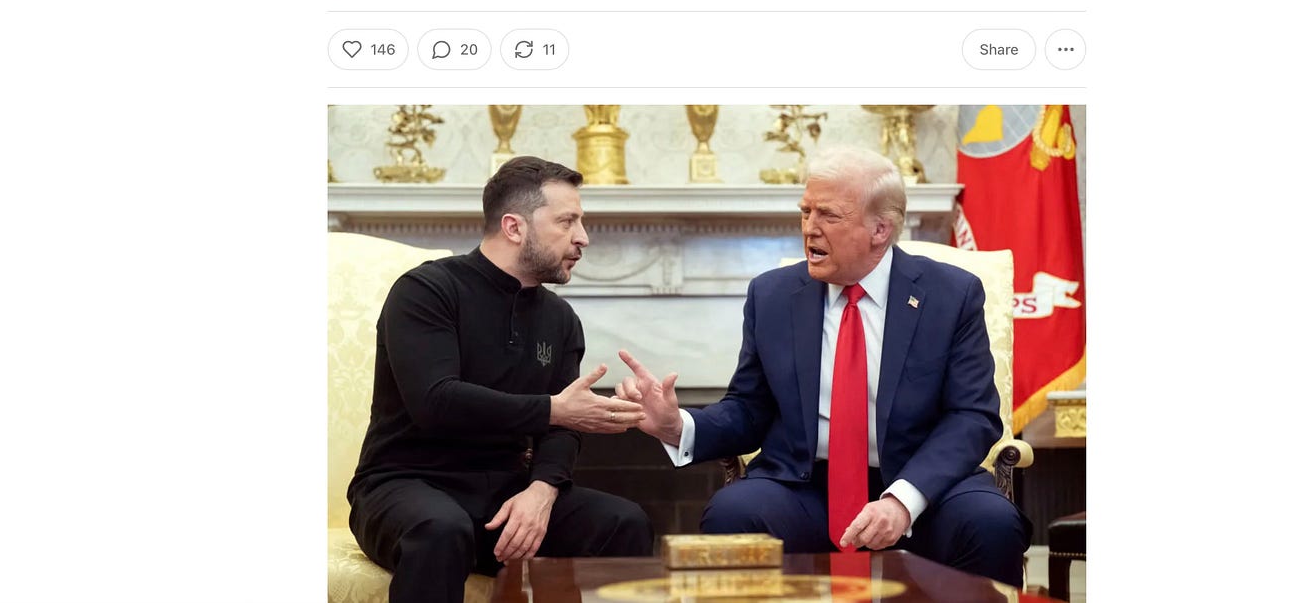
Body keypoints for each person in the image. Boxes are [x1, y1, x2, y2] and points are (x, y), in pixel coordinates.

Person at [614, 145, 1030, 586]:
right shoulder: (773, 295)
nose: (809, 228)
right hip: (805, 485)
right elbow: (749, 408)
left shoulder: (951, 294)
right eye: (805, 211)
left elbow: (972, 416)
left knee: (991, 524)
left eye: (828, 215)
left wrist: (903, 500)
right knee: (733, 513)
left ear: (880, 230)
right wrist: (677, 426)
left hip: (924, 484)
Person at [347, 156, 653, 603]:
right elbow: (436, 402)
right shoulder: (427, 291)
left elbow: (563, 427)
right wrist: (553, 409)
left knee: (623, 523)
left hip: (505, 492)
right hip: (404, 485)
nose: (583, 237)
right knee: (440, 529)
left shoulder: (560, 319)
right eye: (567, 221)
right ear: (514, 227)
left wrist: (542, 490)